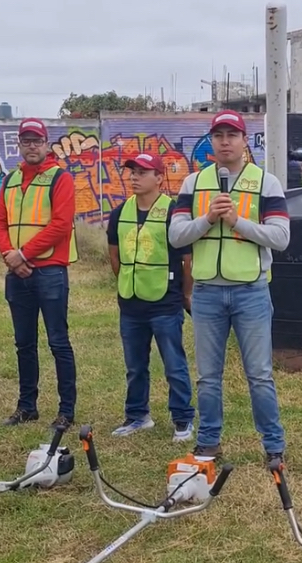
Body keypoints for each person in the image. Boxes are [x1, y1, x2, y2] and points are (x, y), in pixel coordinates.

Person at [168, 110, 291, 467]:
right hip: (206, 293)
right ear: (211, 141)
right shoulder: (193, 184)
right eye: (218, 135)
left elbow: (281, 238)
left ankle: (273, 445)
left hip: (251, 292)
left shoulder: (265, 182)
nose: (225, 141)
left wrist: (238, 222)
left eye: (232, 135)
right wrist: (207, 219)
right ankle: (208, 442)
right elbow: (176, 236)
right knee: (208, 377)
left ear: (243, 140)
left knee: (259, 375)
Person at [0, 118, 79, 430]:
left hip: (50, 272)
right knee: (24, 344)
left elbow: (60, 224)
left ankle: (66, 411)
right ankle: (26, 407)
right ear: (19, 144)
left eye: (37, 140)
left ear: (46, 143)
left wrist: (22, 254)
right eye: (26, 141)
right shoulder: (10, 180)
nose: (32, 146)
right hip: (18, 274)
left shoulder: (60, 179)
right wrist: (10, 257)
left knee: (58, 342)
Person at [106, 153, 196, 441]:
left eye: (142, 172)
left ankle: (183, 419)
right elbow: (114, 254)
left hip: (165, 303)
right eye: (132, 171)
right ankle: (137, 416)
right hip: (131, 303)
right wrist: (126, 282)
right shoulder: (120, 212)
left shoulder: (173, 212)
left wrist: (186, 293)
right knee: (134, 366)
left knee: (174, 364)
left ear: (159, 178)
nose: (134, 176)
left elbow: (187, 258)